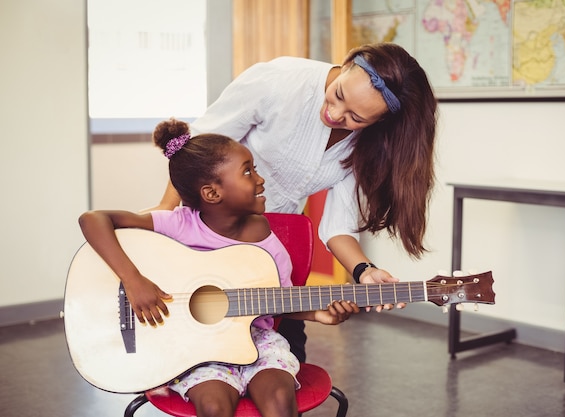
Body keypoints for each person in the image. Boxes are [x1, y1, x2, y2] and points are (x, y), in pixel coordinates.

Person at [152, 42, 438, 360]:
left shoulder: (367, 145)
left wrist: (364, 271)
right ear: (346, 65)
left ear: (378, 121)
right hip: (212, 236)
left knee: (287, 356)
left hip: (275, 248)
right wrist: (165, 221)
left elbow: (337, 227)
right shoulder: (278, 81)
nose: (334, 114)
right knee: (202, 349)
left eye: (355, 117)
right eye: (339, 94)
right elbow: (192, 150)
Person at [79, 119, 358, 417]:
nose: (260, 179)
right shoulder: (178, 224)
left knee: (279, 398)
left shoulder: (264, 239)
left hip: (258, 342)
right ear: (212, 194)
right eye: (248, 171)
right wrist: (133, 280)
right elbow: (93, 219)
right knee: (213, 406)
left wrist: (318, 314)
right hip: (197, 350)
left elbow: (280, 300)